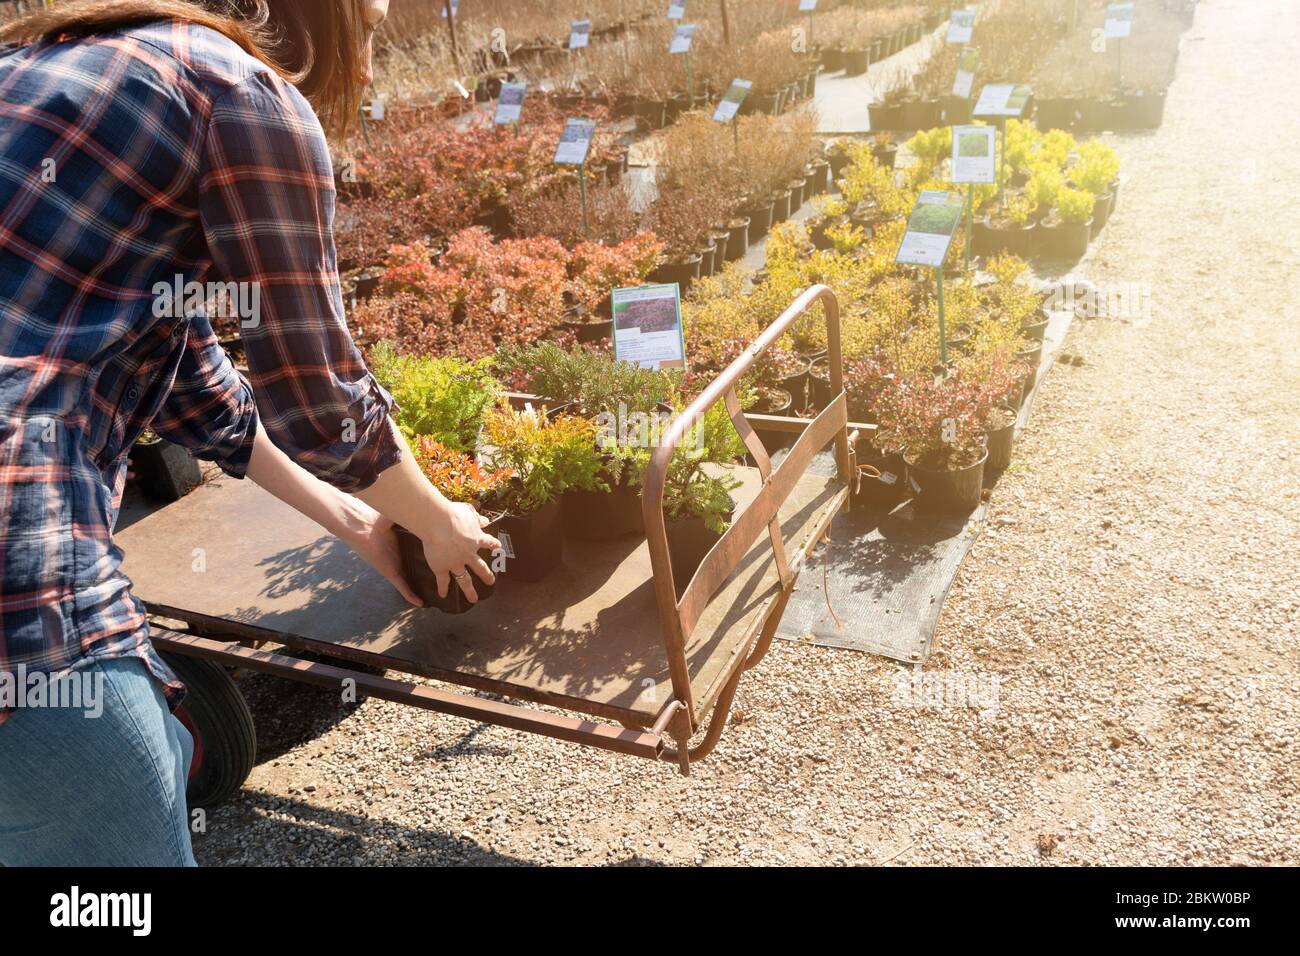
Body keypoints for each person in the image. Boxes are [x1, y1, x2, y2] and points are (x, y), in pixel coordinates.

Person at [0, 0, 498, 866]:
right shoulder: (242, 94)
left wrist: (360, 527)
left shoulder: (54, 64)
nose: (371, 66)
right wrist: (436, 517)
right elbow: (319, 396)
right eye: (369, 30)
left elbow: (195, 388)